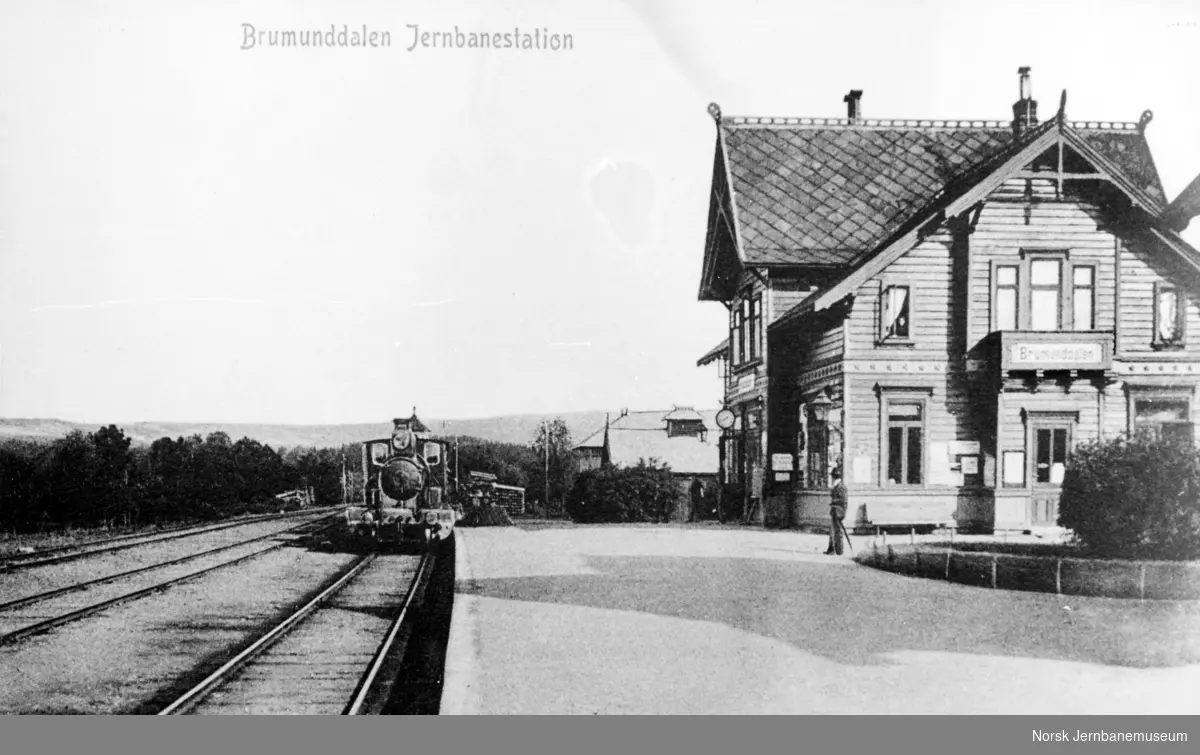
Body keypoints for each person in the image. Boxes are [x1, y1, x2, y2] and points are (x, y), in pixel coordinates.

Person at [824, 467, 847, 555]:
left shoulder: (841, 487)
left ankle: (839, 550)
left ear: (834, 477)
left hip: (839, 512)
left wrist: (833, 502)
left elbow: (843, 501)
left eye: (832, 477)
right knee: (833, 531)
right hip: (835, 511)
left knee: (837, 531)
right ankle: (832, 549)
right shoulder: (837, 486)